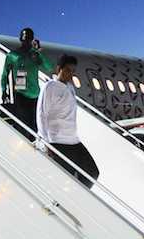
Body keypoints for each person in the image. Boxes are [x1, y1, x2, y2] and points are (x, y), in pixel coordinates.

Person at [37, 55, 99, 188]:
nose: (70, 74)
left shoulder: (70, 87)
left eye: (72, 71)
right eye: (67, 70)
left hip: (73, 140)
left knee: (92, 172)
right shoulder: (50, 86)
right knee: (65, 181)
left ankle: (79, 197)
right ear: (58, 69)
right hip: (58, 141)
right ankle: (66, 204)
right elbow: (42, 114)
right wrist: (45, 141)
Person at [0, 27, 54, 139]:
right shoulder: (12, 55)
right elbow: (5, 74)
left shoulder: (34, 55)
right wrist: (3, 90)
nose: (26, 42)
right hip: (21, 94)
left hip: (35, 95)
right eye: (24, 39)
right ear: (20, 39)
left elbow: (49, 67)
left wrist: (39, 53)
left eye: (28, 39)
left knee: (35, 127)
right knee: (23, 126)